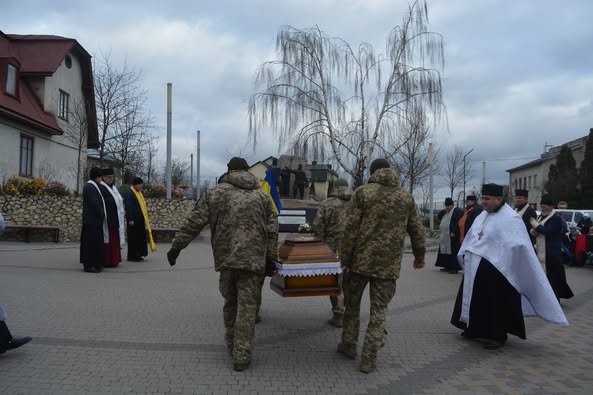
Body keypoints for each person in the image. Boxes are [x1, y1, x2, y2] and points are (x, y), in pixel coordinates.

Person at [166, 157, 279, 372]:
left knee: (230, 303)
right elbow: (273, 229)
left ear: (229, 170)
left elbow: (194, 222)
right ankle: (242, 354)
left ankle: (231, 344)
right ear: (247, 171)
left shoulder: (215, 193)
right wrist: (271, 259)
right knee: (248, 307)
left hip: (227, 261)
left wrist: (176, 247)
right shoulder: (262, 196)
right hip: (253, 262)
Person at [451, 184, 568, 350]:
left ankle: (498, 335)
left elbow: (518, 244)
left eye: (487, 199)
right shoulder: (482, 215)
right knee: (476, 299)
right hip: (477, 268)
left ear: (498, 199)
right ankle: (474, 328)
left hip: (499, 270)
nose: (483, 202)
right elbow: (473, 237)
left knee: (496, 304)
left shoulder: (511, 218)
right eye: (482, 198)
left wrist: (499, 256)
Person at [338, 158, 425, 373]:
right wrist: (419, 256)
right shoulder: (405, 197)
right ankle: (369, 359)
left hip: (359, 264)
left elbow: (350, 230)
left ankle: (348, 345)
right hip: (388, 266)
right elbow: (416, 229)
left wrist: (344, 261)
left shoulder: (362, 193)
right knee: (379, 312)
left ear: (373, 172)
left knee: (351, 306)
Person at [312, 185, 353, 328]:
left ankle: (339, 314)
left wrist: (319, 245)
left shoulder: (327, 204)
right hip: (353, 248)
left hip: (332, 247)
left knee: (335, 280)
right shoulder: (356, 203)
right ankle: (350, 313)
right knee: (349, 282)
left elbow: (318, 225)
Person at [529, 195, 574, 300]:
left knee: (554, 278)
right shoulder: (542, 216)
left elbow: (548, 232)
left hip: (552, 253)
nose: (543, 208)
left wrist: (535, 224)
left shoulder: (556, 218)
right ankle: (546, 299)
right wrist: (534, 231)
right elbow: (539, 231)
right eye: (542, 206)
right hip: (542, 251)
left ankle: (555, 300)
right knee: (545, 277)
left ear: (551, 207)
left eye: (545, 206)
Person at [80, 167, 107, 273]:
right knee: (90, 244)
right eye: (101, 177)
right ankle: (89, 265)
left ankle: (96, 263)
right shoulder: (90, 187)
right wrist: (101, 214)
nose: (101, 179)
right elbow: (94, 203)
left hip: (94, 221)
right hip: (91, 221)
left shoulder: (93, 186)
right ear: (97, 177)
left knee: (95, 244)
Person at [124, 177, 156, 262]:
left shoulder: (139, 193)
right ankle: (132, 256)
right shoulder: (129, 193)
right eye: (140, 184)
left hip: (140, 220)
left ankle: (138, 254)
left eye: (142, 184)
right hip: (133, 220)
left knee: (139, 238)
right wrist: (130, 219)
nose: (141, 186)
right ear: (135, 185)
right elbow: (128, 206)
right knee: (133, 238)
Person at [99, 168, 125, 267]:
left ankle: (115, 260)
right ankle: (108, 261)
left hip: (115, 219)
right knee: (108, 241)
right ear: (103, 177)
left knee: (114, 241)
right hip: (108, 219)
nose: (110, 179)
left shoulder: (113, 188)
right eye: (109, 177)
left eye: (112, 177)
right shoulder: (101, 187)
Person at [435, 198, 464, 274]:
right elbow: (439, 217)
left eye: (449, 206)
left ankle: (454, 268)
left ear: (452, 205)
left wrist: (454, 231)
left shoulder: (457, 211)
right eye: (446, 206)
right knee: (445, 251)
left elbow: (459, 222)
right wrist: (442, 211)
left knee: (453, 252)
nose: (447, 207)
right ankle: (447, 266)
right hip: (445, 235)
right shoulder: (445, 211)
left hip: (453, 235)